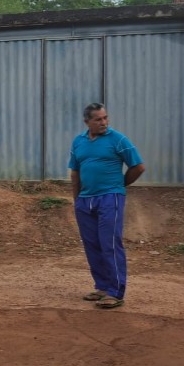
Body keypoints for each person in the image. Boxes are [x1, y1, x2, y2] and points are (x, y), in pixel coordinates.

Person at [68, 103, 144, 309]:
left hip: (110, 198)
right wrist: (77, 201)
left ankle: (115, 291)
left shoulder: (118, 139)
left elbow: (138, 166)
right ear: (87, 122)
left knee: (109, 243)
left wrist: (120, 184)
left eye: (105, 118)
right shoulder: (79, 142)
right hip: (85, 200)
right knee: (92, 244)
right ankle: (102, 286)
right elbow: (75, 173)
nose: (104, 123)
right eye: (98, 119)